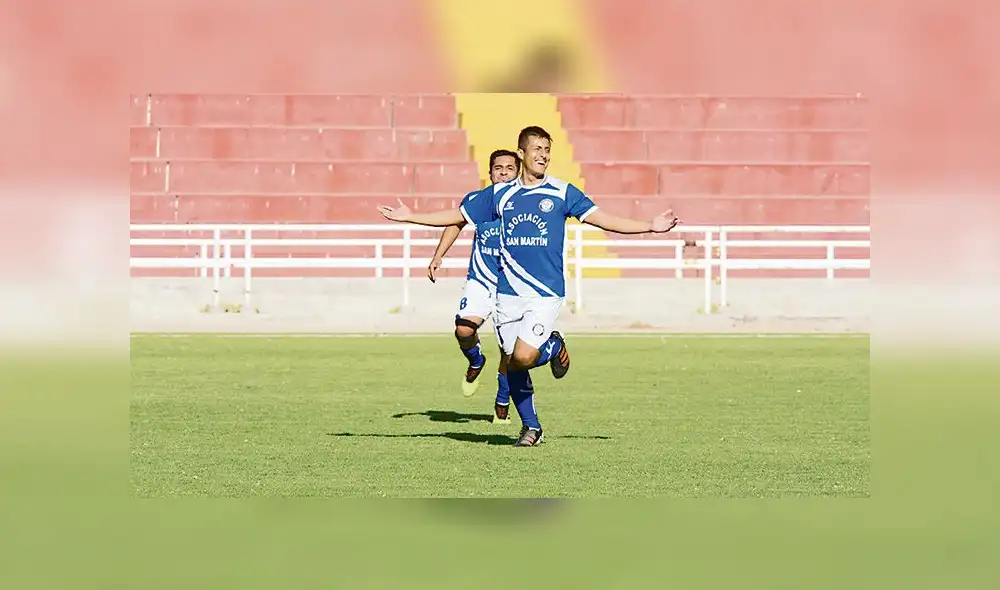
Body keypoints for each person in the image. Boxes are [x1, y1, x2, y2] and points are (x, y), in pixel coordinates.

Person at [378, 126, 679, 446]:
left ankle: (552, 346)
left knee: (522, 357)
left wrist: (650, 226)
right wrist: (410, 217)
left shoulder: (563, 193)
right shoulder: (500, 195)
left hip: (544, 292)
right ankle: (531, 428)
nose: (543, 155)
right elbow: (457, 216)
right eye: (537, 149)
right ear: (521, 153)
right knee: (513, 361)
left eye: (547, 150)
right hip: (507, 294)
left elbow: (603, 219)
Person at [426, 149, 519, 424]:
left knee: (509, 349)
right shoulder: (478, 201)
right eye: (498, 168)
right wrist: (438, 254)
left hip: (511, 285)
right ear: (489, 173)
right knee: (464, 329)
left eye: (509, 168)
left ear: (518, 172)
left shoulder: (523, 203)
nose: (503, 172)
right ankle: (476, 360)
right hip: (480, 280)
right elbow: (456, 222)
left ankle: (503, 398)